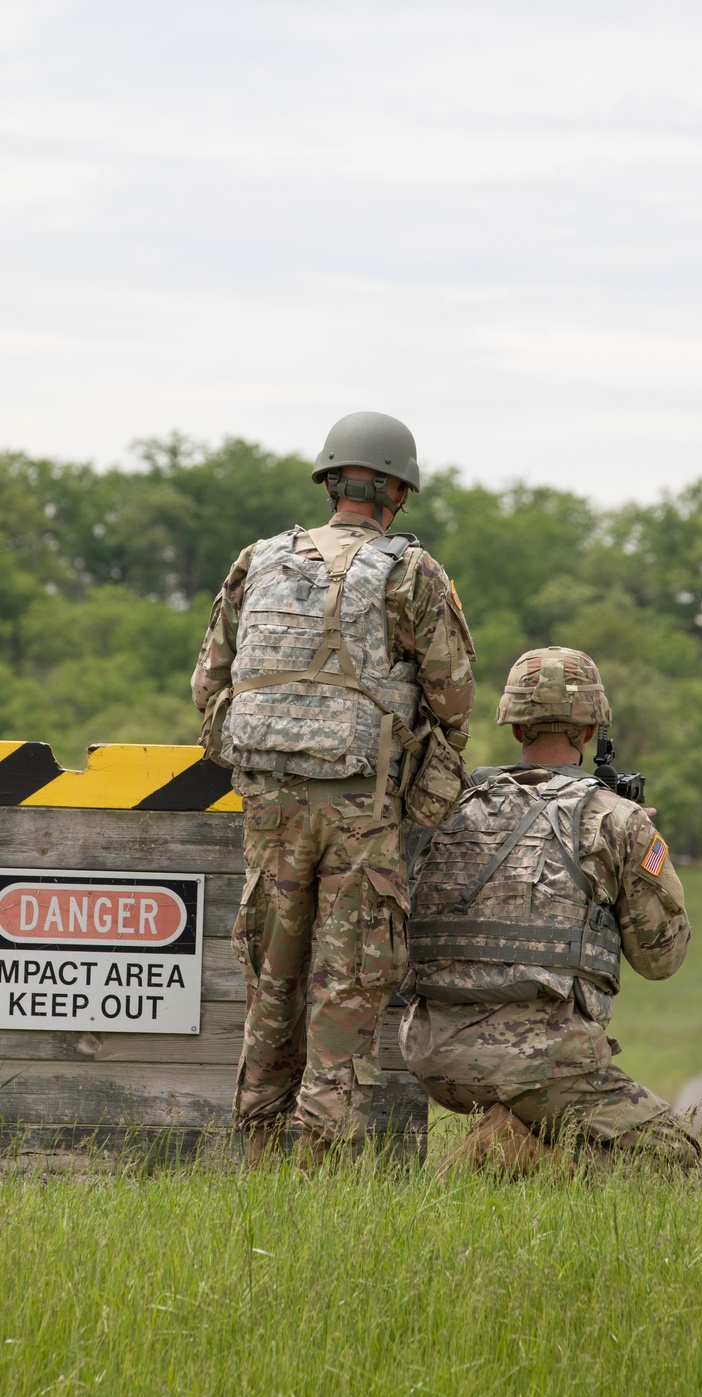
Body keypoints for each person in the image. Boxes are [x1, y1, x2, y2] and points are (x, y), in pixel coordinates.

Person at [191, 411, 476, 1168]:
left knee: (272, 978)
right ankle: (319, 1167)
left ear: (330, 481)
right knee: (347, 984)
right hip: (361, 809)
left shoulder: (258, 560)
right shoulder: (412, 571)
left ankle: (256, 1149)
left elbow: (208, 684)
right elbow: (451, 698)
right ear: (395, 491)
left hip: (269, 803)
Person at [399, 647, 700, 1178]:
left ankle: (506, 1142)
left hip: (431, 1052)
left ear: (515, 728)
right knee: (674, 1163)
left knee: (543, 1114)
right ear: (590, 733)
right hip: (539, 1057)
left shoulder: (446, 807)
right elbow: (662, 958)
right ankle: (501, 1155)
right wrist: (641, 846)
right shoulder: (615, 819)